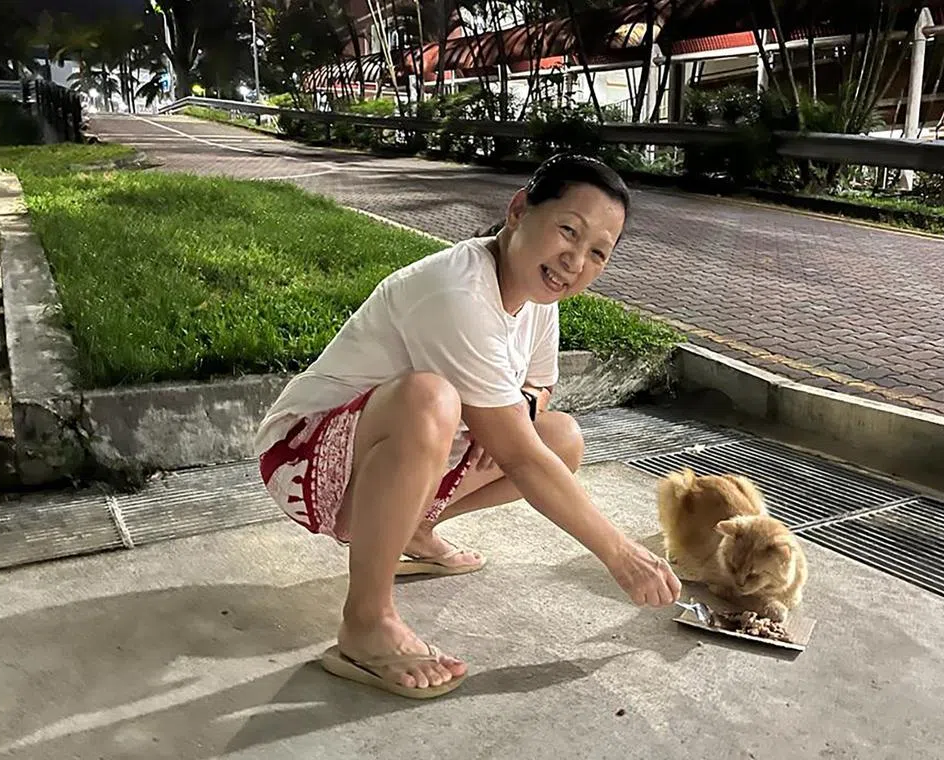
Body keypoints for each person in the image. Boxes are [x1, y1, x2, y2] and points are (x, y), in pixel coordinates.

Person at [254, 153, 682, 699]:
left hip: (383, 460)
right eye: (568, 231)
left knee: (561, 438)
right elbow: (520, 458)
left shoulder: (537, 296)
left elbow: (539, 389)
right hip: (302, 457)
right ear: (519, 210)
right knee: (429, 400)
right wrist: (621, 554)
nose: (575, 261)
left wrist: (513, 413)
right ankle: (366, 621)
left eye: (598, 252)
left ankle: (412, 530)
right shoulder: (456, 291)